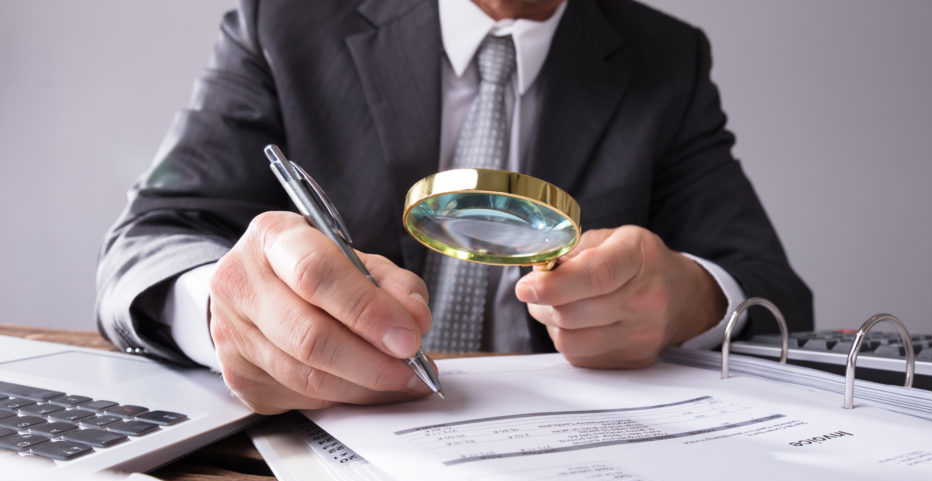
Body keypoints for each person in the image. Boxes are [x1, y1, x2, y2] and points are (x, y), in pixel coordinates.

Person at [96, 0, 813, 414]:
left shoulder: (667, 58)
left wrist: (688, 298)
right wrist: (230, 310)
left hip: (567, 462)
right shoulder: (285, 17)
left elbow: (772, 287)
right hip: (321, 447)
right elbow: (151, 238)